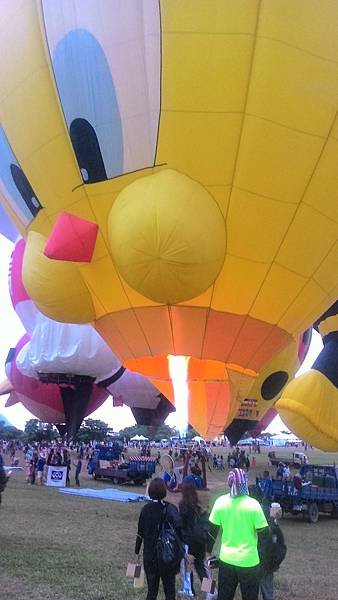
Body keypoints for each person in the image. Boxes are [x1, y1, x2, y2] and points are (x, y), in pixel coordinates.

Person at [208, 468, 269, 600]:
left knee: (224, 596)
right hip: (250, 562)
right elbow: (265, 536)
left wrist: (207, 553)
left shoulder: (220, 502)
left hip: (226, 560)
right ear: (244, 483)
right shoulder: (254, 505)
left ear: (229, 483)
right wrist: (263, 559)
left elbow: (211, 533)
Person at [135, 477, 181, 600]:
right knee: (170, 592)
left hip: (150, 556)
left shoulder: (145, 510)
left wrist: (136, 552)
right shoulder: (171, 509)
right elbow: (179, 532)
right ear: (164, 490)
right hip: (168, 556)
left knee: (152, 591)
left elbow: (140, 533)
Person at [179, 480, 209, 596]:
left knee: (188, 567)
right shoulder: (197, 505)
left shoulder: (183, 505)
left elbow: (182, 524)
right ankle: (209, 591)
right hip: (200, 540)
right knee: (201, 567)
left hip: (189, 541)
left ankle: (189, 591)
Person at [259, 503, 286, 600]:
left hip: (262, 564)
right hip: (264, 564)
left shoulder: (271, 526)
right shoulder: (271, 527)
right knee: (266, 590)